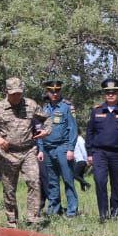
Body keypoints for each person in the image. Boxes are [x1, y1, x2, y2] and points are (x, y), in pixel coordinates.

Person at [0, 77, 50, 228]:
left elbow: (47, 119)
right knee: (9, 188)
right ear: (6, 92)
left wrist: (46, 131)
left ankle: (33, 218)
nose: (16, 96)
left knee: (34, 182)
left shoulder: (31, 104)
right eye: (13, 94)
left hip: (28, 151)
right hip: (8, 153)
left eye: (19, 93)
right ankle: (12, 221)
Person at [85, 78, 118, 221]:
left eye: (114, 92)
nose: (110, 95)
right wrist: (89, 153)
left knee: (116, 184)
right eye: (107, 92)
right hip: (99, 152)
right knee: (100, 182)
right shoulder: (96, 111)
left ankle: (115, 213)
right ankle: (103, 214)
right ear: (104, 94)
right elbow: (89, 133)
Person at [38, 80, 80, 217]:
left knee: (68, 180)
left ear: (60, 91)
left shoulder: (67, 107)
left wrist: (71, 149)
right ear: (47, 92)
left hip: (63, 148)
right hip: (47, 149)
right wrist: (40, 149)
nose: (54, 94)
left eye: (57, 91)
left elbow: (73, 129)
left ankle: (72, 211)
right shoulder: (44, 109)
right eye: (51, 91)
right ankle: (54, 210)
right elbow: (39, 130)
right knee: (51, 182)